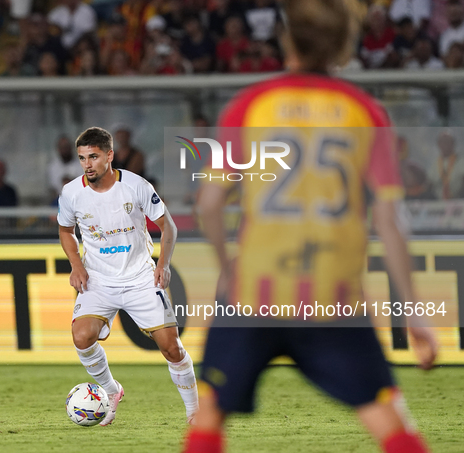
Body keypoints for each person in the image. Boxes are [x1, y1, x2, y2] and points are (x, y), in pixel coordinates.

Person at [183, 1, 437, 452]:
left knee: (209, 415)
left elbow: (209, 201)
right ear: (344, 47)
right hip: (332, 296)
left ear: (286, 40)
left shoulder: (251, 105)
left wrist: (227, 268)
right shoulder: (366, 111)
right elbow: (389, 220)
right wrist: (412, 310)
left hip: (254, 292)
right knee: (388, 417)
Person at [57, 127, 198, 426]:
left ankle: (194, 413)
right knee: (81, 337)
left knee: (172, 348)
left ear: (109, 156)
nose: (87, 164)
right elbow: (65, 230)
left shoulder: (135, 186)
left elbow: (168, 226)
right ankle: (111, 390)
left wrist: (164, 264)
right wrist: (76, 265)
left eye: (93, 157)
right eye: (82, 158)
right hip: (98, 279)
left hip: (139, 278)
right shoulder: (71, 193)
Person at [428, 129, 464, 199]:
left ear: (453, 143)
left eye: (448, 141)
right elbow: (430, 182)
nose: (445, 144)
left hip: (458, 200)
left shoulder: (461, 161)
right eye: (442, 142)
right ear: (438, 144)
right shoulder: (435, 163)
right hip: (438, 202)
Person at [48, 134, 83, 202]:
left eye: (66, 147)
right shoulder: (52, 167)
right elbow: (53, 190)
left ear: (71, 148)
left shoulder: (81, 165)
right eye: (62, 147)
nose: (64, 150)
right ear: (58, 149)